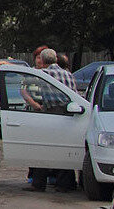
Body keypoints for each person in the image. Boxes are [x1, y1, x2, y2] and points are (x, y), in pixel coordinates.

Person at [24, 48, 77, 193]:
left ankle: (38, 183)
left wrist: (5, 65)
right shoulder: (68, 74)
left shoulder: (43, 74)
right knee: (65, 149)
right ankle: (66, 183)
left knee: (44, 149)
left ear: (43, 60)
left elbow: (24, 84)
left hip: (50, 113)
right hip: (69, 113)